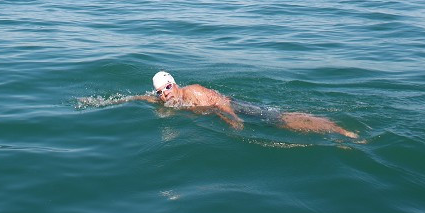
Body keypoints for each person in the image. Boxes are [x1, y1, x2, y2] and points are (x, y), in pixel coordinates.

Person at [131, 71, 359, 138]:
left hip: (235, 107)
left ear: (174, 83)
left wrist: (234, 118)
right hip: (218, 113)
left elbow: (219, 103)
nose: (165, 95)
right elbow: (143, 97)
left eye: (167, 88)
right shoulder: (167, 101)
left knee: (278, 120)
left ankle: (339, 130)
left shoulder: (195, 91)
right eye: (160, 93)